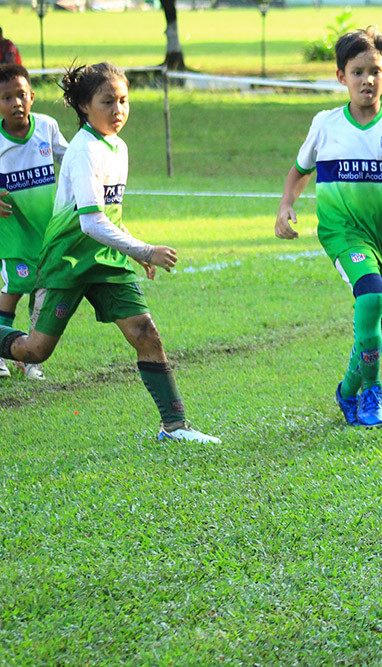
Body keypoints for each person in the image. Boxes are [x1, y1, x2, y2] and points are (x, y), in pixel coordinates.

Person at [0, 62, 220, 445]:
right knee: (34, 351)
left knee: (146, 333)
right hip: (68, 261)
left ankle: (175, 426)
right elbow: (89, 222)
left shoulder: (118, 147)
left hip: (106, 260)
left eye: (123, 100)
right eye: (108, 101)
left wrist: (131, 250)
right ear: (85, 106)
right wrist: (146, 250)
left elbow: (110, 214)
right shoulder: (84, 149)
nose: (118, 110)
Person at [275, 26, 382, 429]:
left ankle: (349, 388)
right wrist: (286, 205)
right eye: (357, 72)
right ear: (341, 77)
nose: (366, 79)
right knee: (370, 298)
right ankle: (372, 389)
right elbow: (300, 171)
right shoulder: (326, 124)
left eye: (374, 71)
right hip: (342, 233)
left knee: (378, 325)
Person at [0, 64, 69, 381]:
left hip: (47, 231)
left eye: (21, 95)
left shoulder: (47, 127)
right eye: (6, 97)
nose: (15, 103)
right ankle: (2, 353)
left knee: (42, 293)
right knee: (12, 291)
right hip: (12, 232)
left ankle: (30, 358)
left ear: (33, 96)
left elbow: (69, 158)